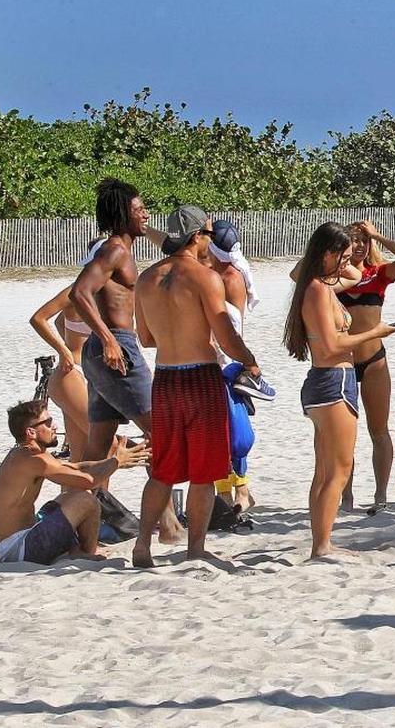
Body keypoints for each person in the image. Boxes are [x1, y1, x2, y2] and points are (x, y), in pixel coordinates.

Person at [131, 205, 265, 568]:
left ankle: (142, 545)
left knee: (163, 469)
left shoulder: (146, 279)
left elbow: (145, 337)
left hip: (166, 378)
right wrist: (250, 361)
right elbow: (226, 335)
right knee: (205, 472)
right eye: (206, 233)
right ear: (195, 237)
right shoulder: (205, 277)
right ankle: (195, 547)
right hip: (200, 377)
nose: (210, 239)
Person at [70, 178, 184, 542]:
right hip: (115, 348)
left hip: (109, 349)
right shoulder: (115, 250)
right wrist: (108, 339)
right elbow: (80, 292)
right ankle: (166, 525)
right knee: (162, 433)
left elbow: (175, 244)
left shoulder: (121, 248)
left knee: (98, 444)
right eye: (138, 209)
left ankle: (79, 519)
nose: (145, 213)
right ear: (122, 214)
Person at [284, 222, 395, 559]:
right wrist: (375, 332)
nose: (348, 262)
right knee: (337, 469)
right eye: (342, 254)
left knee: (325, 470)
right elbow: (334, 344)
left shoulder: (321, 285)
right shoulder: (319, 290)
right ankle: (322, 545)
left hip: (329, 381)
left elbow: (351, 275)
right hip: (332, 380)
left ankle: (322, 540)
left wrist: (347, 244)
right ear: (326, 254)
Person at [0, 400, 149, 565]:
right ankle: (89, 551)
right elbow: (89, 482)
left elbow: (76, 466)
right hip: (20, 549)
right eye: (48, 423)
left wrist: (114, 462)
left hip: (16, 543)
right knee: (86, 499)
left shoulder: (25, 453)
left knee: (70, 496)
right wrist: (116, 462)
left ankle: (77, 549)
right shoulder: (35, 460)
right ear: (31, 432)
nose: (54, 427)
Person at [337, 220, 395, 514]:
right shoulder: (333, 279)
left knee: (378, 430)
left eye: (363, 241)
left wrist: (377, 234)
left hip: (373, 361)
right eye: (353, 240)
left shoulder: (378, 275)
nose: (359, 246)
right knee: (345, 435)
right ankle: (346, 497)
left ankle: (381, 495)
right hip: (342, 362)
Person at [206, 219, 262, 511]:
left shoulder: (225, 278)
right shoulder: (234, 271)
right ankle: (239, 491)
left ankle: (234, 492)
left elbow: (223, 326)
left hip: (224, 360)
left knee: (229, 432)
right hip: (231, 357)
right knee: (232, 427)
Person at [28, 283, 93, 462]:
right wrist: (64, 350)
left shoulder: (108, 289)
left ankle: (76, 491)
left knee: (80, 455)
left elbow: (58, 321)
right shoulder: (76, 290)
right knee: (100, 444)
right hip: (74, 371)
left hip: (91, 374)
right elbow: (38, 319)